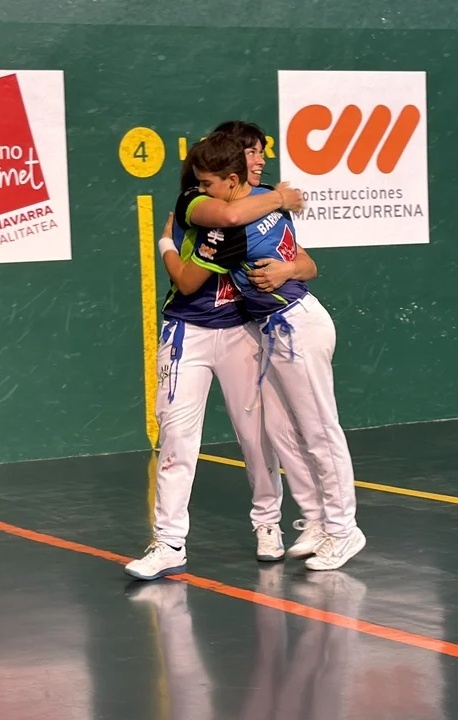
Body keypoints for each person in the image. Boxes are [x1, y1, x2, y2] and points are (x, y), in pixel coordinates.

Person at [123, 124, 323, 581]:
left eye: (259, 152)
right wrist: (166, 244)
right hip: (187, 331)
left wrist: (288, 268)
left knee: (257, 436)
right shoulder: (196, 202)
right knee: (177, 436)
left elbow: (306, 262)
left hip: (242, 332)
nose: (260, 160)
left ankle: (268, 524)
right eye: (251, 152)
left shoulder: (262, 206)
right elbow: (199, 264)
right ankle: (169, 542)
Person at [165, 132, 365, 571]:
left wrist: (166, 245)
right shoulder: (266, 200)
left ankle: (344, 528)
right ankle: (317, 521)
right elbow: (257, 219)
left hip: (295, 324)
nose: (201, 191)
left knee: (320, 432)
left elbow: (296, 260)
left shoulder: (236, 222)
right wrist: (282, 203)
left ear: (231, 179)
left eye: (208, 184)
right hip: (274, 328)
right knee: (281, 430)